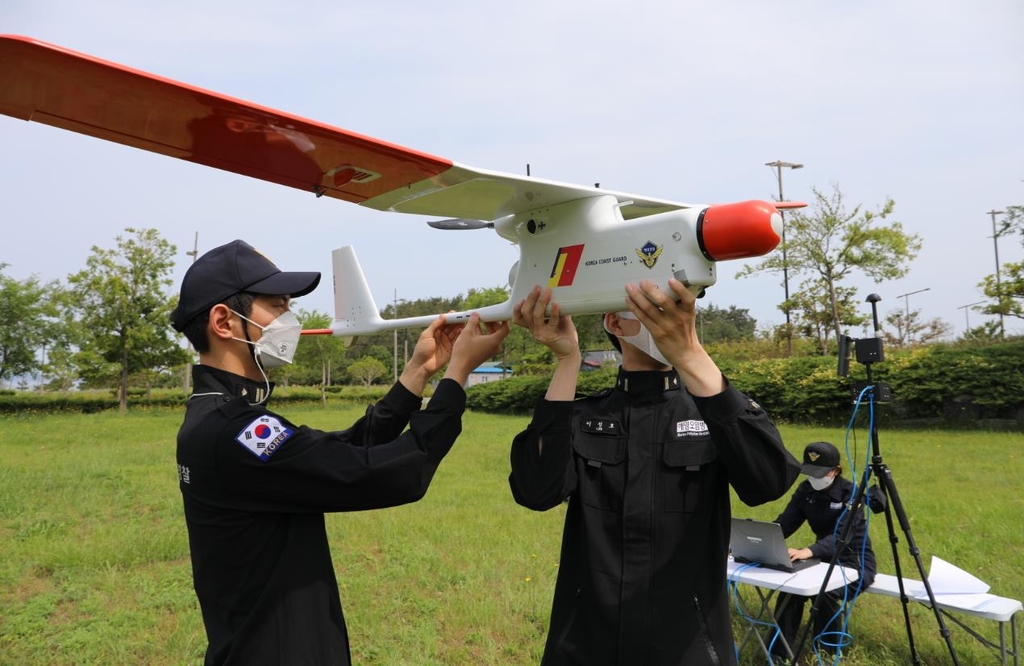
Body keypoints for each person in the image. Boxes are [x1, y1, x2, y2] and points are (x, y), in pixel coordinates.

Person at [170, 239, 509, 666]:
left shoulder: (219, 418)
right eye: (276, 306)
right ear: (224, 320)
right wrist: (457, 376)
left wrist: (417, 372)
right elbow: (376, 472)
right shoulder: (233, 433)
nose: (288, 319)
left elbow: (335, 453)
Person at [508, 279, 800, 666]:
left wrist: (692, 355)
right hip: (587, 639)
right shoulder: (586, 416)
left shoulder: (713, 411)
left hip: (689, 642)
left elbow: (769, 481)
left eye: (674, 308)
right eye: (648, 307)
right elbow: (535, 491)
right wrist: (567, 362)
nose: (665, 318)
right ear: (614, 322)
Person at [771, 441, 877, 660]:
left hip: (854, 562)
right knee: (791, 588)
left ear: (835, 471)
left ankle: (826, 653)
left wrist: (808, 551)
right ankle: (778, 653)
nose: (813, 478)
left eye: (819, 473)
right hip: (821, 560)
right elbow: (787, 523)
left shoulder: (851, 494)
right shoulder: (805, 490)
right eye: (809, 472)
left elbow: (843, 537)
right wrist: (763, 539)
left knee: (825, 592)